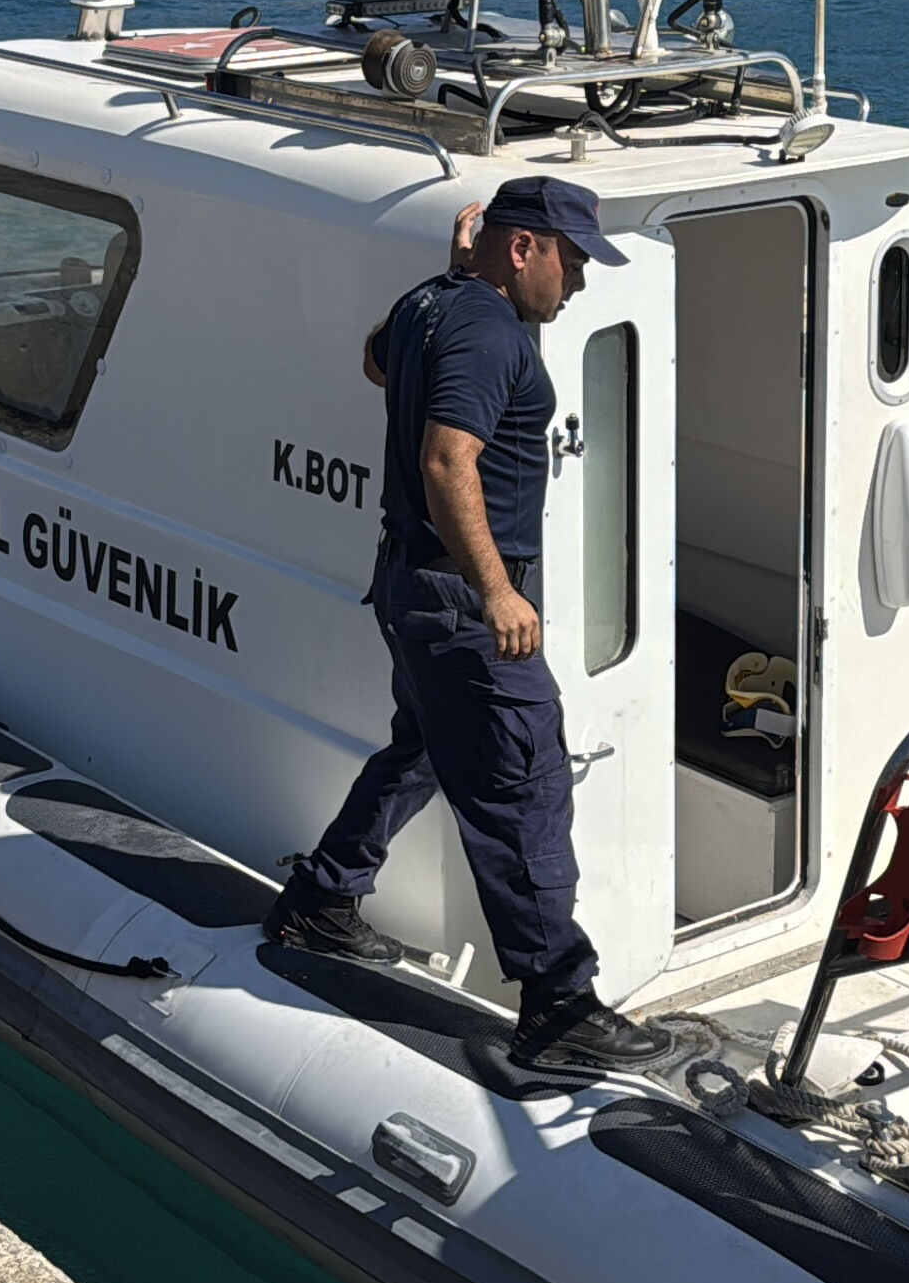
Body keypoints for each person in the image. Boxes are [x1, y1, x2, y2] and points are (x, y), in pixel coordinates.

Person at [267, 177, 677, 1079]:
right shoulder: (490, 332)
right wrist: (497, 592)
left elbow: (377, 361)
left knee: (420, 750)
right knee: (524, 780)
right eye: (568, 261)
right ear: (521, 247)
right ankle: (556, 1005)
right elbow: (448, 459)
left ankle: (321, 900)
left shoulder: (432, 304)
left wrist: (454, 274)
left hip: (408, 585)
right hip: (459, 599)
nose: (576, 284)